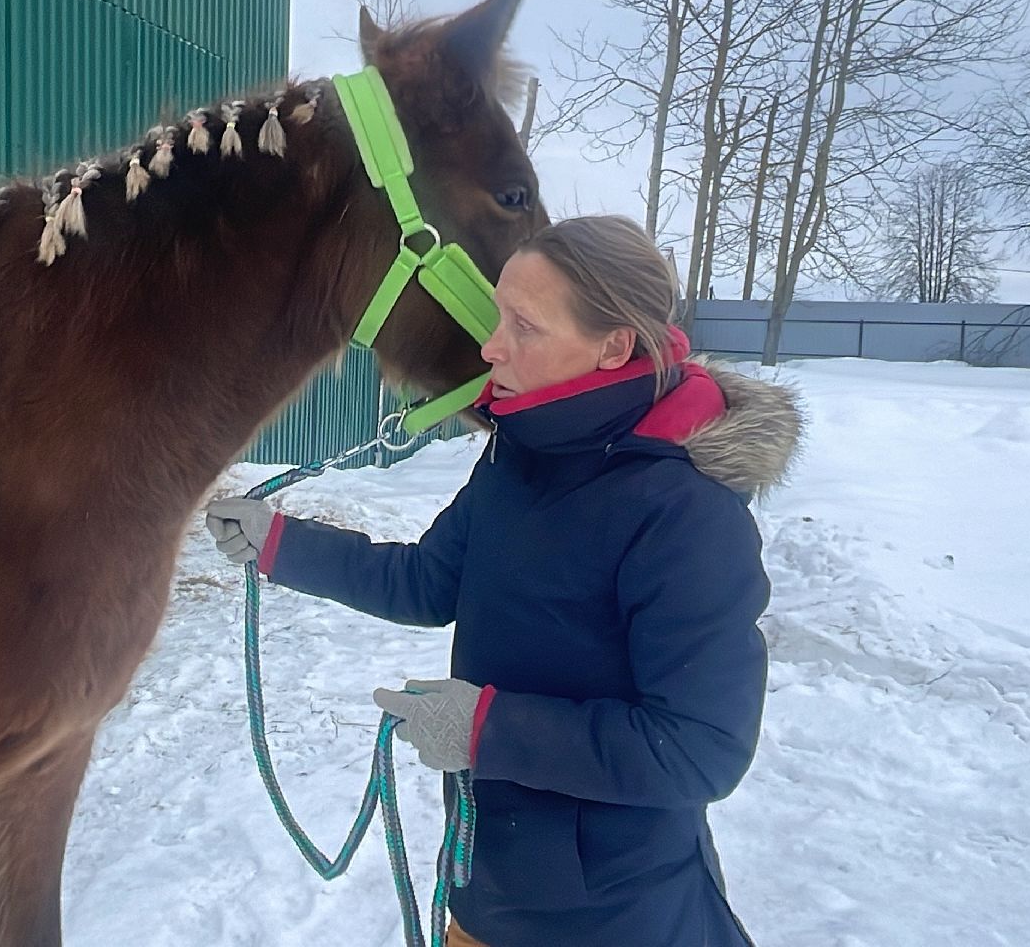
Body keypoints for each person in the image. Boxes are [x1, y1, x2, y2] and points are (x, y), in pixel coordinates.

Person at [206, 214, 801, 947]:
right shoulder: (519, 456)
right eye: (497, 315)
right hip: (486, 891)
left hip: (614, 921)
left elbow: (696, 750)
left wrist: (489, 729)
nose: (491, 346)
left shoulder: (685, 513)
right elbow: (429, 582)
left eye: (524, 325)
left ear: (612, 347)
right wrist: (282, 546)